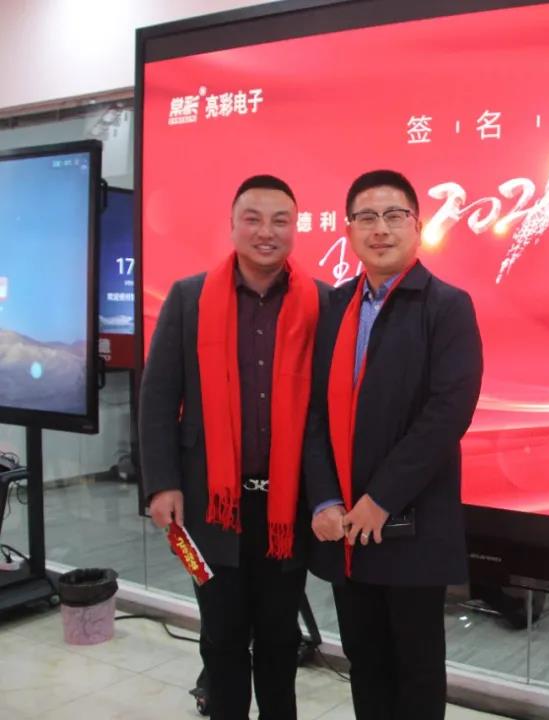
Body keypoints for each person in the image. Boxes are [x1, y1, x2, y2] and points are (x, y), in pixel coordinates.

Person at [140, 174, 322, 720]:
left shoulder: (321, 303)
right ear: (233, 225)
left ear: (295, 228)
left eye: (280, 221)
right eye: (253, 219)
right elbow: (158, 397)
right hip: (210, 505)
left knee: (279, 638)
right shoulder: (189, 298)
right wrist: (162, 484)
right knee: (221, 637)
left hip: (287, 506)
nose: (266, 232)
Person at [304, 169, 483, 719]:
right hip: (345, 529)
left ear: (417, 225)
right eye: (366, 217)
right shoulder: (333, 307)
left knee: (417, 672)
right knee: (366, 666)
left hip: (412, 526)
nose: (379, 229)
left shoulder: (447, 306)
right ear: (349, 230)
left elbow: (447, 413)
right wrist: (324, 499)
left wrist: (380, 499)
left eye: (393, 215)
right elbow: (312, 413)